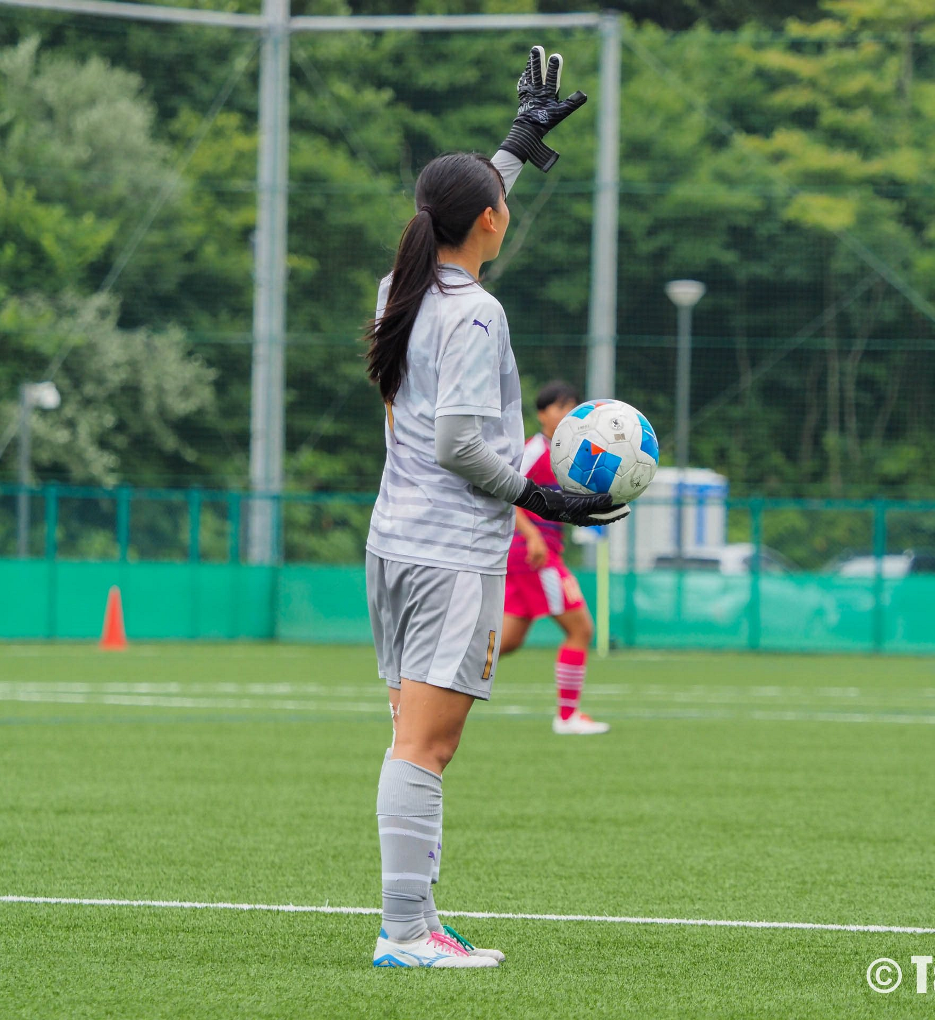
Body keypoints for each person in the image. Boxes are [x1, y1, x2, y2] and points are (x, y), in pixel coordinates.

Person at [364, 47, 627, 969]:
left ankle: (415, 921)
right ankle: (404, 933)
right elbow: (460, 447)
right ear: (487, 222)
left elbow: (453, 209)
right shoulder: (476, 312)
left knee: (411, 737)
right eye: (501, 201)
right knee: (427, 749)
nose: (506, 210)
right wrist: (546, 496)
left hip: (395, 544)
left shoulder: (402, 286)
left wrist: (514, 143)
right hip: (448, 555)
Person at [500, 381, 609, 735]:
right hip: (534, 555)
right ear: (542, 414)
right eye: (560, 407)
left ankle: (435, 677)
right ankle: (567, 717)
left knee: (508, 641)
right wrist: (531, 535)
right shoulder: (534, 450)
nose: (567, 413)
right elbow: (505, 493)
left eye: (572, 406)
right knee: (581, 629)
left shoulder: (569, 455)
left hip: (534, 555)